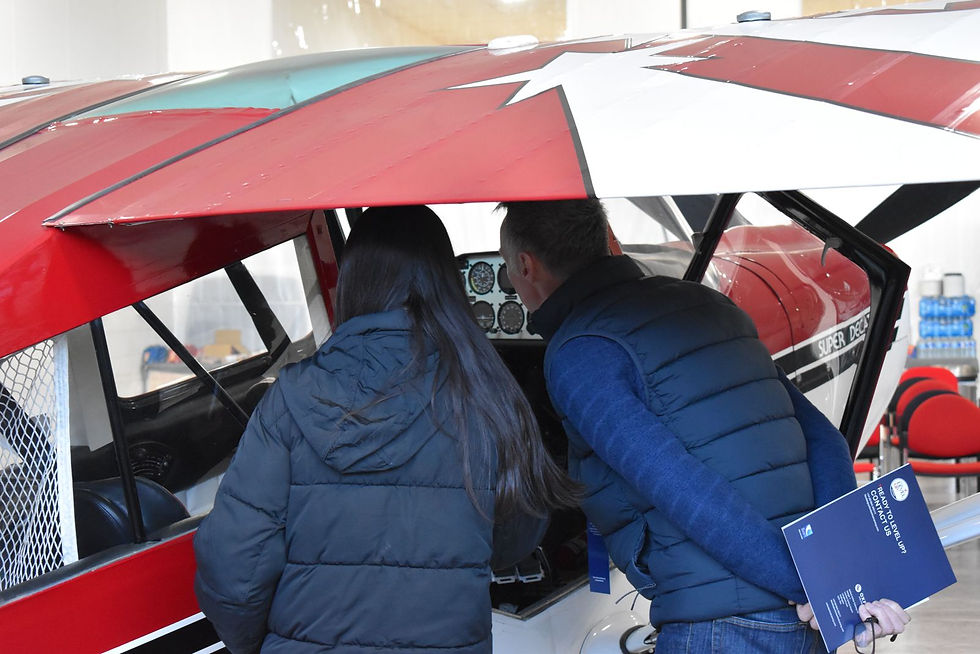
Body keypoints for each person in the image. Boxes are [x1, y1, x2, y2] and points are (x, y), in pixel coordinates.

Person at [497, 199, 910, 653]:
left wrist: (805, 585)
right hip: (801, 617)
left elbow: (679, 485)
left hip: (721, 626)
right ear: (609, 242)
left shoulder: (580, 351)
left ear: (524, 266)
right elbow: (825, 441)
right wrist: (832, 578)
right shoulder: (710, 305)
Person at [194, 205, 578, 654]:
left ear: (354, 283)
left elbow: (232, 566)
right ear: (448, 284)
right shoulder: (488, 393)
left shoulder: (288, 399)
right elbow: (514, 535)